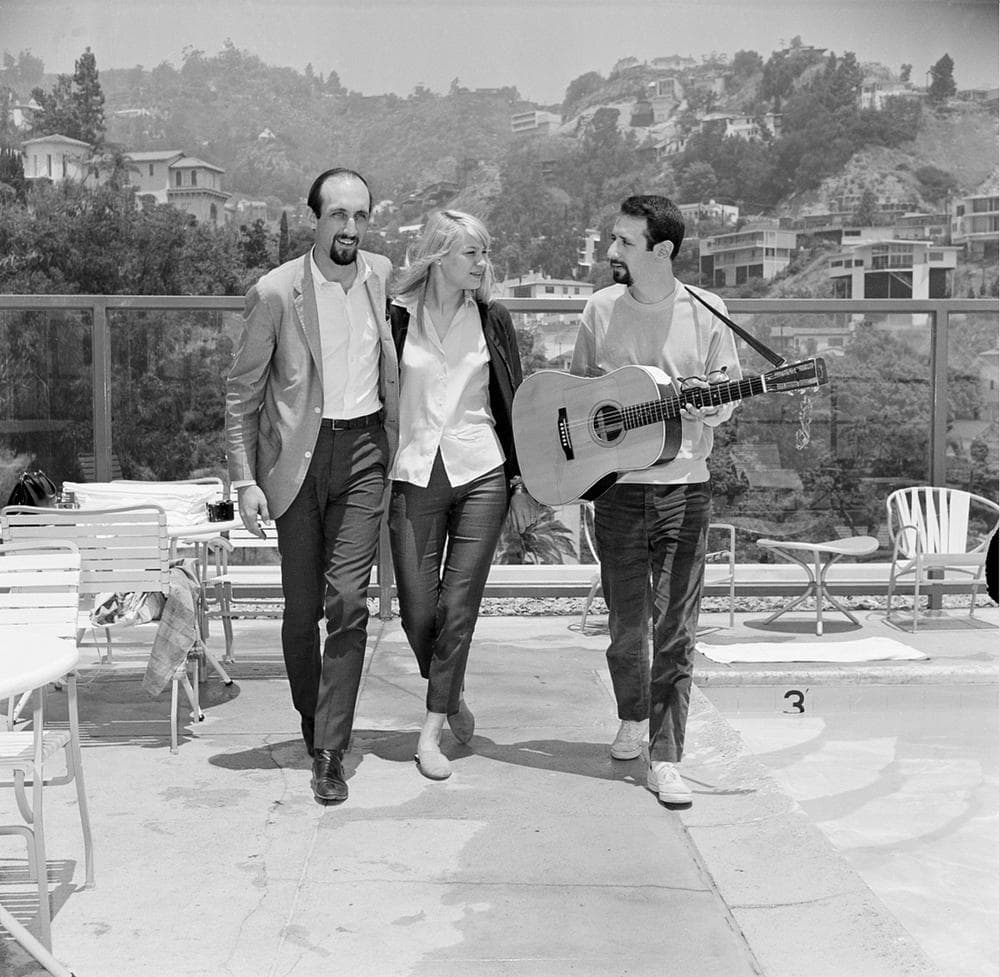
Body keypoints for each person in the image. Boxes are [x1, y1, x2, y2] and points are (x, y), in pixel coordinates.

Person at [226, 167, 399, 804]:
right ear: (315, 220)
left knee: (348, 601)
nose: (349, 228)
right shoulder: (275, 292)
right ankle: (312, 719)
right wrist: (244, 479)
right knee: (302, 612)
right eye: (337, 216)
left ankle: (331, 748)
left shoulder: (381, 276)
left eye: (359, 216)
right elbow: (242, 394)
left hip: (364, 452)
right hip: (295, 460)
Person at [570, 195, 741, 806]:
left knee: (676, 628)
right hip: (618, 491)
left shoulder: (708, 310)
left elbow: (728, 393)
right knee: (626, 625)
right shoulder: (599, 308)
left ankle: (667, 756)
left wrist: (709, 402)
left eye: (624, 242)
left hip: (685, 488)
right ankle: (632, 716)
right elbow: (579, 400)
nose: (611, 251)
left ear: (662, 251)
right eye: (613, 239)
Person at [388, 210, 533, 780]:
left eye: (484, 252)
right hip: (415, 471)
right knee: (418, 608)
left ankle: (430, 730)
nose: (482, 262)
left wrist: (522, 482)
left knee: (459, 605)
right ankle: (451, 692)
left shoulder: (493, 319)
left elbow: (514, 402)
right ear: (439, 256)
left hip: (482, 472)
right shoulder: (396, 319)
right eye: (471, 252)